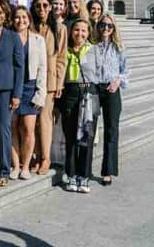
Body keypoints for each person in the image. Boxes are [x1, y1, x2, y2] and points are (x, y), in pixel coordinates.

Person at [0, 0, 24, 187]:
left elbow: (19, 67)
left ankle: (4, 170)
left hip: (4, 89)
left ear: (6, 15)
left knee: (3, 129)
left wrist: (17, 94)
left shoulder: (12, 36)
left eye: (1, 12)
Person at [31, 0, 67, 175]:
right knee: (33, 120)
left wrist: (59, 82)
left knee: (45, 120)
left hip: (50, 80)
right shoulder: (31, 26)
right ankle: (36, 156)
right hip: (31, 78)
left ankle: (46, 157)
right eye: (38, 6)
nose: (42, 9)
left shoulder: (59, 29)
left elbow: (61, 58)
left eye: (46, 5)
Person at [60, 19, 98, 194]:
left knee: (87, 138)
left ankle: (85, 175)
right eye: (76, 30)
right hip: (70, 93)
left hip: (89, 94)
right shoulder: (65, 50)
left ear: (88, 32)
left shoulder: (93, 50)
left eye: (83, 31)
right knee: (71, 138)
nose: (79, 34)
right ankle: (71, 173)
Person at [9, 6, 46, 180]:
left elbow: (42, 68)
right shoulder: (8, 38)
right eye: (17, 17)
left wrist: (41, 93)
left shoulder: (38, 39)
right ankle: (15, 166)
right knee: (13, 128)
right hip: (11, 88)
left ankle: (25, 165)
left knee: (29, 129)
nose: (20, 20)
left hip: (30, 87)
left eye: (24, 17)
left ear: (29, 19)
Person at [92, 14, 128, 186]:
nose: (105, 28)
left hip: (111, 89)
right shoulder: (92, 45)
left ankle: (108, 170)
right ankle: (83, 168)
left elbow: (125, 70)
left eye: (109, 26)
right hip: (94, 89)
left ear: (113, 28)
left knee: (111, 130)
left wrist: (117, 81)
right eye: (102, 25)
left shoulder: (118, 47)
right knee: (88, 129)